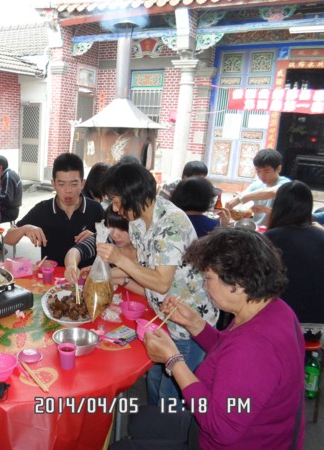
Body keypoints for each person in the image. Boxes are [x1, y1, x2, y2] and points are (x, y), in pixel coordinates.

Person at [142, 228, 304, 450]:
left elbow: (221, 428)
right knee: (139, 422)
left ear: (237, 283)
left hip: (229, 441)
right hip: (244, 428)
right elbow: (228, 353)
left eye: (208, 278)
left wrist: (173, 361)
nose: (204, 285)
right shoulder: (274, 309)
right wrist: (196, 324)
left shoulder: (254, 347)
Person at [97, 162, 218, 406]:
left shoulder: (172, 223)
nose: (116, 208)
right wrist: (104, 274)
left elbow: (161, 282)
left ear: (134, 194)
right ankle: (156, 425)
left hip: (187, 323)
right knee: (154, 378)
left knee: (171, 393)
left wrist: (118, 260)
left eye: (117, 201)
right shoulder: (138, 220)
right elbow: (141, 266)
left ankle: (169, 428)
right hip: (161, 316)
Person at [4, 153, 104, 266]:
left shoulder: (95, 209)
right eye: (61, 184)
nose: (68, 190)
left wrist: (96, 238)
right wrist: (24, 229)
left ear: (82, 184)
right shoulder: (43, 209)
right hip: (51, 275)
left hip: (85, 275)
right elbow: (8, 239)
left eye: (74, 184)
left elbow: (113, 243)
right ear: (54, 184)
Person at [265, 181, 324, 325]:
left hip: (280, 320)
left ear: (278, 206)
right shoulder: (321, 236)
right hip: (318, 319)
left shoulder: (268, 238)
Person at [64, 206, 133, 285]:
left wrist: (100, 273)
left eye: (123, 229)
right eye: (110, 227)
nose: (115, 235)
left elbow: (134, 270)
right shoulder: (106, 238)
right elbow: (76, 251)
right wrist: (71, 266)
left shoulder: (142, 248)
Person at [225, 149, 290, 226]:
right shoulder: (257, 184)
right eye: (258, 171)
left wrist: (240, 199)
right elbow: (242, 196)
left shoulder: (286, 184)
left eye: (266, 171)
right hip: (258, 229)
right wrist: (233, 204)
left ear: (278, 169)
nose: (261, 175)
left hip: (277, 229)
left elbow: (272, 192)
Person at [0, 155, 22, 223]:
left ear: (0, 167)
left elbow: (6, 196)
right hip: (8, 209)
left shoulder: (8, 176)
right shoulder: (8, 173)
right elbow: (4, 192)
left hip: (9, 211)